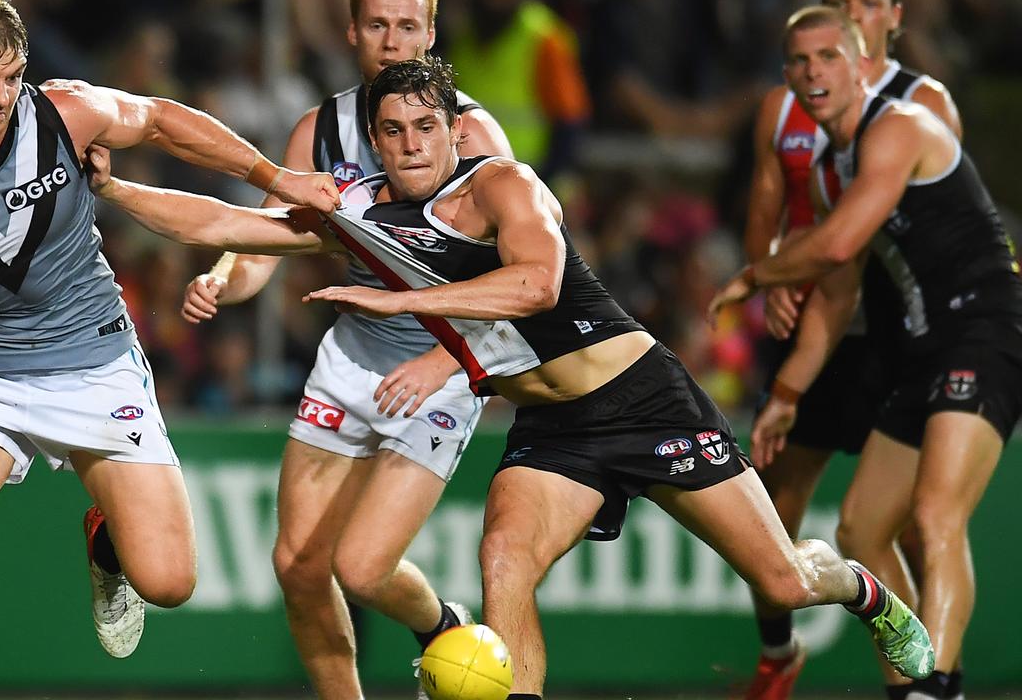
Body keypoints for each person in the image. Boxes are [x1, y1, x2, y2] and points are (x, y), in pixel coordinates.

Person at [85, 54, 936, 699]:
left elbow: (539, 285)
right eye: (394, 132)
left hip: (637, 397)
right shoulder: (367, 213)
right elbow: (227, 221)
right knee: (504, 564)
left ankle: (864, 593)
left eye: (428, 128)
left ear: (455, 130)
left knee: (783, 578)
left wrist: (407, 317)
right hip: (550, 428)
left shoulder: (503, 186)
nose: (413, 145)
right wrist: (117, 191)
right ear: (374, 141)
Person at [0, 0, 338, 699]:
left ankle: (107, 538)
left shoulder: (62, 114)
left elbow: (165, 122)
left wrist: (277, 177)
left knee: (168, 582)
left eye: (11, 78)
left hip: (96, 360)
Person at [141, 0, 511, 698]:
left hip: (445, 358)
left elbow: (521, 275)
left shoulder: (473, 135)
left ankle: (440, 622)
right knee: (298, 565)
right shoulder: (320, 131)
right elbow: (263, 241)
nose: (393, 39)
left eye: (408, 25)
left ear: (431, 35)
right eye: (378, 23)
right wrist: (223, 281)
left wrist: (451, 360)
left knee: (363, 568)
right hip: (355, 351)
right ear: (351, 33)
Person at [710, 5, 1022, 700]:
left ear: (861, 66)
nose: (814, 73)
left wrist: (755, 273)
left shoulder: (900, 125)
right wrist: (788, 393)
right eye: (800, 62)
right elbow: (840, 289)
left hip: (985, 331)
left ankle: (935, 686)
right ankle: (913, 685)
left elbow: (839, 247)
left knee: (936, 518)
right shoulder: (840, 160)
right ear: (787, 77)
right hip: (924, 350)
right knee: (862, 528)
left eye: (829, 59)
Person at [739, 0, 962, 697]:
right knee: (772, 505)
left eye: (870, 2)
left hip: (903, 340)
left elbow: (935, 233)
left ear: (893, 20)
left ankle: (932, 677)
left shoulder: (920, 108)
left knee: (920, 525)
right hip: (823, 329)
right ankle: (780, 649)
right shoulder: (784, 107)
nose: (857, 13)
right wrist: (771, 280)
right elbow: (767, 204)